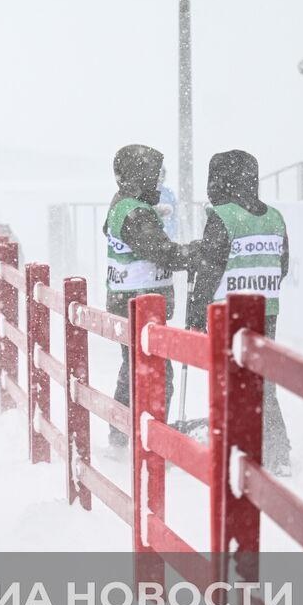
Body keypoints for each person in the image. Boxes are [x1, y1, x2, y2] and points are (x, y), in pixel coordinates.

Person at [185, 149, 292, 475]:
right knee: (262, 381)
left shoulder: (223, 217)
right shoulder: (274, 217)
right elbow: (283, 265)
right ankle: (276, 453)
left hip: (228, 312)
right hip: (266, 309)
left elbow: (210, 268)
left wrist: (196, 310)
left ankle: (236, 446)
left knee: (231, 379)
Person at [102, 145, 190, 450]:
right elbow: (164, 252)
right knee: (155, 374)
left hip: (129, 300)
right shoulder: (136, 212)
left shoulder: (124, 204)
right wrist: (200, 251)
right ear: (140, 176)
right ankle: (155, 437)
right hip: (140, 303)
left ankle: (122, 432)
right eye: (153, 175)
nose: (157, 183)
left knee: (133, 368)